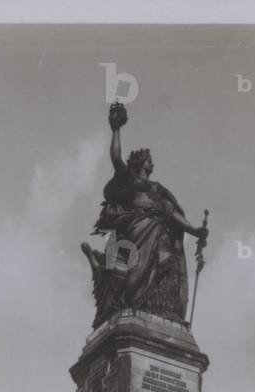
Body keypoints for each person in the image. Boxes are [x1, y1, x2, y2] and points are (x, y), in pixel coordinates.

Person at [82, 102, 208, 328]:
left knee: (165, 265)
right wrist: (116, 129)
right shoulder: (130, 180)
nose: (152, 162)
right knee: (134, 270)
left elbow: (170, 213)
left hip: (158, 232)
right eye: (149, 159)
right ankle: (125, 301)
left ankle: (158, 309)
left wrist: (194, 230)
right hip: (138, 229)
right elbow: (116, 159)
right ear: (141, 163)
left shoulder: (158, 188)